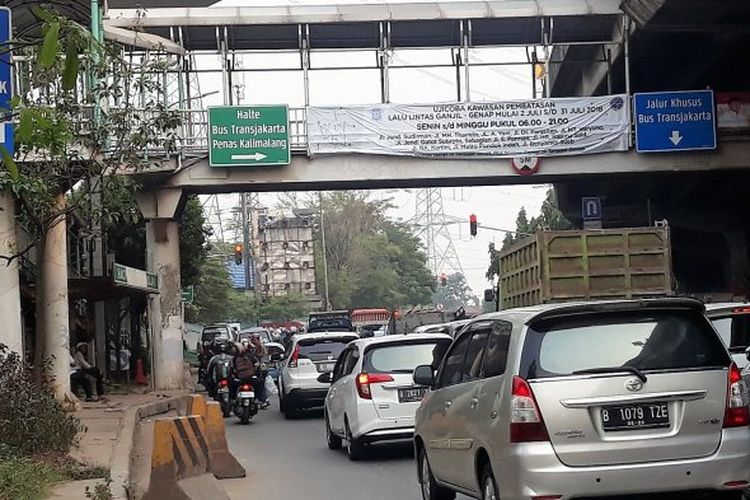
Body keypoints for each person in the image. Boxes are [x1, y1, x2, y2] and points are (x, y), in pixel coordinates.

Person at [250, 334, 271, 409]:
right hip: (255, 369)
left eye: (254, 339)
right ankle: (261, 399)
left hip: (262, 370)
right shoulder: (252, 348)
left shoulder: (261, 348)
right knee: (259, 385)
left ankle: (263, 400)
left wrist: (260, 364)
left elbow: (264, 358)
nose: (253, 341)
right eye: (252, 339)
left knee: (261, 384)